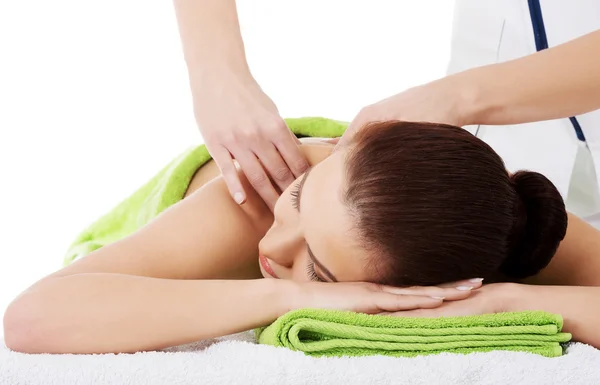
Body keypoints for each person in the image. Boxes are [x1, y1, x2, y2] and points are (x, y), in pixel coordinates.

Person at [4, 120, 600, 356]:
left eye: (316, 268)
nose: (272, 246)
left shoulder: (520, 221)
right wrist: (293, 294)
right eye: (300, 202)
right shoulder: (257, 199)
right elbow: (32, 317)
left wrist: (506, 300)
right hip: (117, 259)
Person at [172, 0, 600, 227]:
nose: (272, 248)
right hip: (503, 128)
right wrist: (216, 71)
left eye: (317, 270)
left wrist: (459, 98)